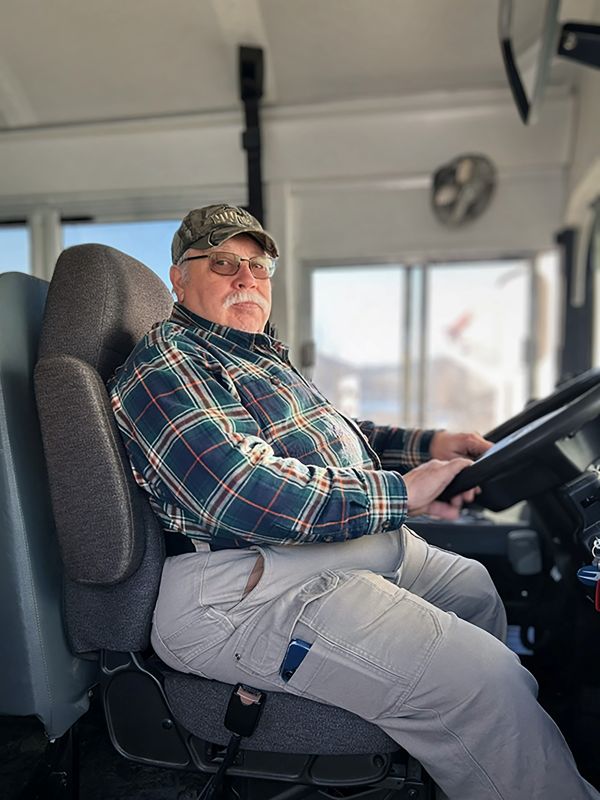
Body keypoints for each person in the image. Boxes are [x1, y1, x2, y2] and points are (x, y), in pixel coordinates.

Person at [108, 203, 599, 800]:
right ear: (179, 279)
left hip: (330, 550)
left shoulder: (258, 355)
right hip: (242, 588)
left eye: (259, 267)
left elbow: (338, 439)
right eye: (222, 263)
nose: (246, 279)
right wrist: (402, 493)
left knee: (471, 587)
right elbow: (237, 491)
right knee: (486, 682)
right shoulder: (167, 364)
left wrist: (429, 447)